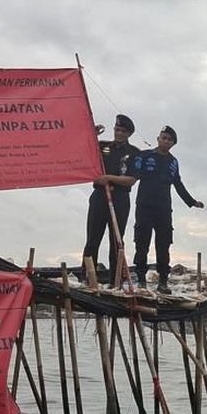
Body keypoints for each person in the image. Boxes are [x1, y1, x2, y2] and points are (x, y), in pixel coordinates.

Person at [129, 125, 204, 293]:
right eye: (163, 137)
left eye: (169, 140)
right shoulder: (145, 155)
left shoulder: (173, 162)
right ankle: (141, 280)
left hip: (163, 208)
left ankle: (163, 282)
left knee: (163, 245)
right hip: (144, 206)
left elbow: (178, 184)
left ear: (173, 143)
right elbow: (131, 174)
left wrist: (192, 202)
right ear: (158, 138)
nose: (166, 141)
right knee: (141, 243)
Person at [82, 114, 140, 286]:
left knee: (116, 240)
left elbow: (131, 179)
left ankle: (116, 281)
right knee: (93, 238)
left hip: (120, 198)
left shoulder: (134, 153)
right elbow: (83, 151)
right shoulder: (102, 146)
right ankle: (87, 278)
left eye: (122, 131)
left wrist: (109, 178)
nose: (119, 133)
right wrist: (91, 134)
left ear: (128, 133)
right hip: (100, 197)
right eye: (117, 129)